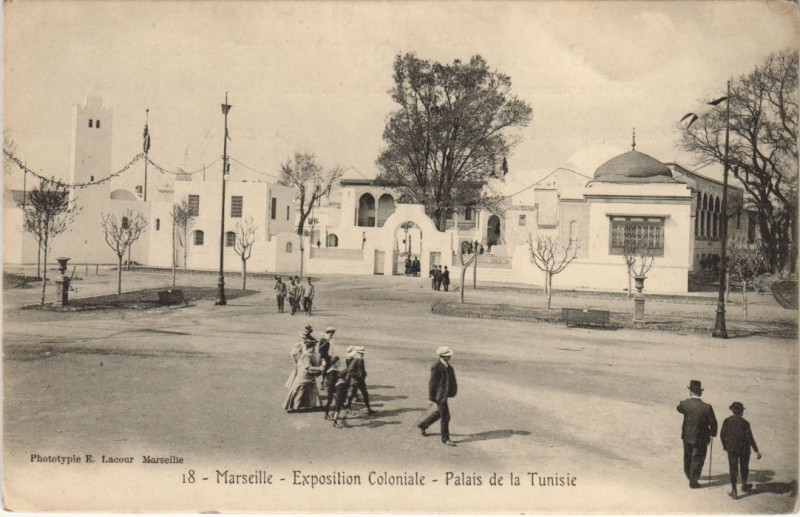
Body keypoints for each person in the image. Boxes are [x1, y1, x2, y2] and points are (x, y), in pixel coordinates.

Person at [677, 380, 718, 488]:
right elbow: (713, 423)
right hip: (701, 437)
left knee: (687, 456)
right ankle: (693, 481)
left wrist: (687, 401)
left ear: (690, 392)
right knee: (698, 458)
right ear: (701, 393)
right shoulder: (707, 407)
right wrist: (713, 433)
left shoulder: (685, 404)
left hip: (687, 436)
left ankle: (688, 475)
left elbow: (679, 409)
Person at [720, 402, 762, 499]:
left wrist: (725, 446)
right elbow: (750, 438)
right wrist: (756, 451)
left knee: (733, 469)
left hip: (731, 449)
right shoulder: (745, 423)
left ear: (732, 411)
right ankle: (744, 485)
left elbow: (722, 435)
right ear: (742, 412)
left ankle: (734, 491)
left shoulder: (727, 421)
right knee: (744, 467)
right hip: (744, 449)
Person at [418, 346, 458, 446]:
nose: (450, 356)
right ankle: (445, 439)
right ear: (443, 356)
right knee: (446, 416)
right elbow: (432, 384)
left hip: (444, 394)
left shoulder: (447, 365)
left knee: (440, 413)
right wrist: (431, 398)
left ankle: (423, 425)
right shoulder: (436, 367)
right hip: (440, 396)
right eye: (448, 355)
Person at [283, 327, 323, 411]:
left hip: (307, 370)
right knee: (301, 388)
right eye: (313, 346)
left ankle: (312, 404)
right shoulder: (306, 353)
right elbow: (307, 366)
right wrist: (319, 368)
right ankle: (295, 406)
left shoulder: (311, 352)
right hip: (304, 371)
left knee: (311, 387)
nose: (315, 347)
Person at [345, 346, 376, 415]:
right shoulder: (355, 361)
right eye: (361, 353)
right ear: (357, 353)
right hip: (355, 381)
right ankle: (348, 408)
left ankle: (369, 409)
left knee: (365, 394)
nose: (362, 355)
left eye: (363, 353)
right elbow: (350, 371)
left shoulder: (361, 360)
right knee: (351, 395)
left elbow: (362, 370)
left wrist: (364, 373)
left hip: (361, 381)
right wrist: (357, 376)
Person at [323, 355, 343, 420]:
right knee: (329, 401)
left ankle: (332, 414)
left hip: (332, 388)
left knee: (331, 401)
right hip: (331, 389)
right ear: (334, 363)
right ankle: (326, 414)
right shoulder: (332, 371)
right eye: (338, 362)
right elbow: (331, 382)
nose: (339, 363)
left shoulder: (333, 370)